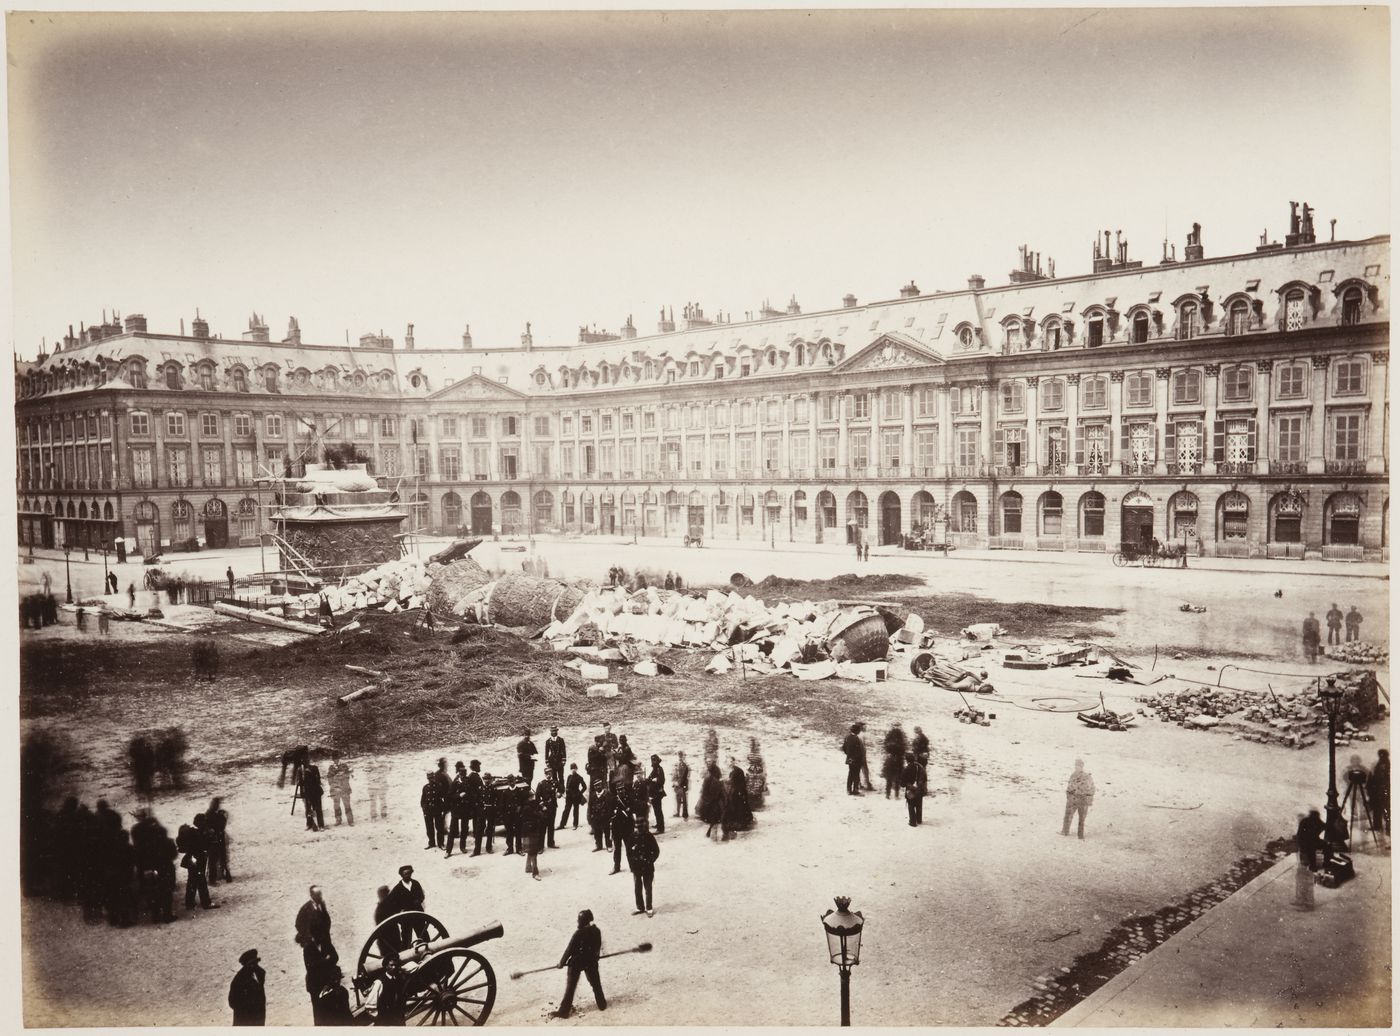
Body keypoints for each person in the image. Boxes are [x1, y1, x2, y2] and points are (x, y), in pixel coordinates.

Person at [552, 908, 607, 1019]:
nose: (578, 922)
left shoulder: (578, 934)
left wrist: (561, 963)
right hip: (591, 960)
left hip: (577, 962)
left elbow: (569, 950)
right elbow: (597, 947)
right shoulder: (596, 931)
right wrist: (596, 956)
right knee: (596, 984)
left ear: (583, 921)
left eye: (579, 920)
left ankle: (564, 1011)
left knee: (571, 987)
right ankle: (602, 1004)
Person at [295, 886, 338, 987]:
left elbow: (327, 920)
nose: (320, 896)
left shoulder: (321, 905)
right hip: (313, 941)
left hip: (323, 939)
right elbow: (298, 924)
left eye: (320, 894)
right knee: (317, 965)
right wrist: (309, 937)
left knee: (331, 958)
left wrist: (325, 933)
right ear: (312, 895)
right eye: (318, 895)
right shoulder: (306, 909)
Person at [179, 814, 217, 910]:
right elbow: (203, 846)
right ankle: (206, 902)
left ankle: (190, 903)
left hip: (191, 860)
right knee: (201, 881)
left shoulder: (192, 831)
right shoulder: (197, 833)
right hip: (197, 860)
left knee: (192, 880)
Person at [627, 815, 661, 916]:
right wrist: (632, 866)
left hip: (647, 867)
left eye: (641, 827)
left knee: (648, 888)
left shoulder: (649, 836)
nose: (639, 829)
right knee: (637, 888)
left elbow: (656, 851)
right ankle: (639, 907)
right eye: (637, 827)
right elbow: (629, 853)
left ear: (644, 826)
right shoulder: (632, 836)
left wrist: (650, 861)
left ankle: (649, 908)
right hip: (636, 867)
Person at [385, 865, 428, 941]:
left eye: (409, 873)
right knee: (406, 938)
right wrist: (399, 911)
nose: (407, 875)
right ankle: (407, 952)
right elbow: (391, 902)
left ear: (411, 873)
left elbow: (421, 896)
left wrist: (418, 901)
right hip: (405, 918)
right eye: (405, 874)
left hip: (418, 914)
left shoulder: (415, 883)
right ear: (401, 875)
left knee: (423, 935)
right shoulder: (398, 888)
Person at [228, 948, 267, 1026]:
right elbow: (232, 1001)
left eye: (255, 963)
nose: (254, 965)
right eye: (251, 964)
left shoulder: (258, 974)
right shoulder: (239, 980)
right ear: (245, 965)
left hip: (258, 1018)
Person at [1061, 759, 1095, 840]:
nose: (1077, 767)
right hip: (1072, 799)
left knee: (1082, 818)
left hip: (1083, 800)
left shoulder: (1087, 776)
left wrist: (1089, 799)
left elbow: (1092, 788)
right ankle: (1065, 831)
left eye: (1079, 766)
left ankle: (1080, 835)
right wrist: (1068, 795)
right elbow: (1069, 786)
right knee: (1068, 815)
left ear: (1082, 766)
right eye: (1076, 766)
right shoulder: (1073, 775)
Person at [724, 758, 753, 839]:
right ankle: (733, 823)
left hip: (738, 792)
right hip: (733, 792)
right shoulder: (732, 771)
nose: (730, 763)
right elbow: (730, 781)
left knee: (738, 807)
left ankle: (739, 824)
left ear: (733, 762)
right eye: (728, 762)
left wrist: (740, 792)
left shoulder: (738, 771)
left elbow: (741, 783)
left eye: (731, 762)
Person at [446, 761, 470, 858]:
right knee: (452, 831)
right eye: (462, 775)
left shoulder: (468, 781)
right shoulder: (455, 783)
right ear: (459, 774)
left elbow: (471, 793)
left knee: (464, 829)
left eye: (464, 775)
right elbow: (449, 796)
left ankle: (462, 847)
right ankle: (448, 850)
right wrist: (459, 795)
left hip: (465, 810)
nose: (463, 776)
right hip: (456, 810)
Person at [609, 784, 634, 873]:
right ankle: (616, 867)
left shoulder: (629, 799)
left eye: (622, 789)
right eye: (618, 790)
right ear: (616, 791)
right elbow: (610, 813)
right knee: (617, 849)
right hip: (617, 828)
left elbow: (633, 809)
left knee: (629, 848)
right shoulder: (613, 800)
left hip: (627, 828)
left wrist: (628, 811)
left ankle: (633, 866)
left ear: (624, 790)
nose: (620, 791)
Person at [207, 796, 232, 883]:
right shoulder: (215, 814)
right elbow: (221, 826)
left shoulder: (211, 814)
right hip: (216, 839)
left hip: (215, 839)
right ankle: (218, 875)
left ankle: (216, 876)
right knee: (219, 858)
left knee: (217, 858)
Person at [521, 795, 544, 880]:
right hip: (532, 830)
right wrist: (541, 810)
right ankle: (535, 873)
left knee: (530, 850)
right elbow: (538, 815)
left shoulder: (526, 806)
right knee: (533, 852)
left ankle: (528, 867)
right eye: (531, 797)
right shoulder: (528, 808)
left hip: (527, 831)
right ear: (528, 798)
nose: (533, 798)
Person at [327, 754, 354, 827]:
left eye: (336, 759)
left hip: (344, 788)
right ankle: (338, 820)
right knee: (336, 805)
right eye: (334, 759)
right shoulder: (331, 767)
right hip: (335, 789)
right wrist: (333, 785)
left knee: (347, 805)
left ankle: (350, 821)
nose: (335, 761)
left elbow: (348, 775)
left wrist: (341, 776)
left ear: (339, 759)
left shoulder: (344, 766)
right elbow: (329, 778)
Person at [882, 723, 908, 799]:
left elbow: (885, 746)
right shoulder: (900, 741)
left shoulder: (889, 741)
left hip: (890, 760)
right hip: (898, 760)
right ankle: (896, 794)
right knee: (897, 777)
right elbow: (903, 750)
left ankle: (887, 794)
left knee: (889, 778)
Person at [1368, 749, 1390, 836]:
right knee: (1377, 808)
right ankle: (1377, 825)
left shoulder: (1389, 765)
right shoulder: (1377, 765)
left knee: (1386, 810)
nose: (1381, 757)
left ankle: (1389, 827)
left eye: (1383, 755)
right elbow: (1373, 776)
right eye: (1380, 755)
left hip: (1385, 791)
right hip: (1377, 791)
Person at [500, 775, 523, 856]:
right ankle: (510, 849)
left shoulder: (519, 791)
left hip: (517, 815)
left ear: (515, 781)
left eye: (512, 781)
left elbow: (523, 802)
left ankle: (519, 849)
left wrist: (520, 807)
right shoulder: (505, 792)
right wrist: (504, 817)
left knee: (518, 832)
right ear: (508, 782)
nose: (511, 783)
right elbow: (502, 806)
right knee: (509, 832)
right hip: (508, 815)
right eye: (510, 781)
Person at [560, 764, 587, 830]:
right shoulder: (569, 776)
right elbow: (567, 787)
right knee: (566, 810)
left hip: (576, 797)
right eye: (572, 768)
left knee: (575, 811)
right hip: (569, 797)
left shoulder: (579, 777)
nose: (573, 770)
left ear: (576, 769)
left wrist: (579, 794)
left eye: (574, 768)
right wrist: (566, 795)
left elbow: (584, 787)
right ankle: (562, 825)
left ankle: (575, 824)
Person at [842, 724, 866, 796]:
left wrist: (848, 754)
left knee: (850, 774)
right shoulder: (857, 738)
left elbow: (844, 747)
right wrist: (861, 758)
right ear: (857, 731)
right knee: (856, 774)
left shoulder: (847, 737)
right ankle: (855, 789)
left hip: (850, 759)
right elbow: (859, 751)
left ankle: (849, 790)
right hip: (857, 760)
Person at [588, 780, 612, 852]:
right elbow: (590, 806)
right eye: (596, 786)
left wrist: (610, 817)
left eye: (599, 785)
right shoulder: (592, 795)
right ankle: (599, 845)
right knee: (597, 832)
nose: (597, 787)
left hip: (605, 816)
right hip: (596, 816)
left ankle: (609, 845)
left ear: (602, 785)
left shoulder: (607, 794)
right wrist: (590, 816)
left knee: (607, 832)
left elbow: (610, 806)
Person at [302, 763, 325, 832]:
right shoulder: (300, 770)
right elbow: (300, 782)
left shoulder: (314, 768)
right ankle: (309, 824)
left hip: (316, 791)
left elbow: (318, 779)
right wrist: (303, 793)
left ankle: (321, 825)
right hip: (307, 792)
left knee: (318, 809)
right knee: (308, 809)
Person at [536, 777, 559, 849]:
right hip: (545, 808)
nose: (548, 775)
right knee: (542, 827)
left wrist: (559, 793)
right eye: (547, 773)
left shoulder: (554, 782)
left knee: (551, 826)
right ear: (544, 774)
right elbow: (537, 797)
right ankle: (540, 846)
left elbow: (560, 789)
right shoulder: (541, 784)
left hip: (552, 807)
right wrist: (542, 806)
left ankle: (551, 843)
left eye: (550, 773)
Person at [646, 755, 667, 833]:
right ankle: (659, 824)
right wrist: (647, 780)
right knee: (656, 810)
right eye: (652, 761)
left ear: (657, 761)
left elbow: (662, 780)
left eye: (654, 761)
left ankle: (661, 828)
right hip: (654, 793)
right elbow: (650, 778)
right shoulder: (655, 769)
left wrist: (656, 780)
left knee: (658, 810)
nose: (653, 762)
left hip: (657, 793)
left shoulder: (659, 769)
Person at [419, 771, 439, 850]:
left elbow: (444, 799)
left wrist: (442, 810)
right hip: (428, 811)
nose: (431, 779)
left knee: (439, 828)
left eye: (432, 778)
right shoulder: (425, 787)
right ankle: (431, 843)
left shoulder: (439, 786)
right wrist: (424, 809)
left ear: (434, 777)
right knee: (429, 828)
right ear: (427, 778)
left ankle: (440, 843)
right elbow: (423, 800)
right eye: (429, 778)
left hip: (437, 810)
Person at [902, 753, 923, 827]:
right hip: (919, 788)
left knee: (911, 805)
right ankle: (919, 820)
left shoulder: (906, 769)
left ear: (907, 760)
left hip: (910, 788)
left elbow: (902, 783)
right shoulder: (919, 767)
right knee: (919, 804)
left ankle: (913, 822)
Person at [672, 751, 691, 820]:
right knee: (677, 798)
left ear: (683, 757)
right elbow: (674, 774)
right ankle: (677, 812)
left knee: (684, 799)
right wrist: (674, 782)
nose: (680, 758)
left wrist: (679, 783)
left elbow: (684, 776)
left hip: (683, 784)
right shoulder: (676, 765)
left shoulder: (685, 765)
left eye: (681, 756)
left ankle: (685, 814)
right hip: (677, 784)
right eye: (679, 756)